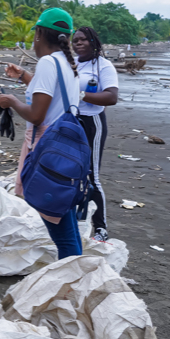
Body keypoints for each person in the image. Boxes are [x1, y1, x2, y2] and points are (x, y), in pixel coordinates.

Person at [0, 8, 82, 259]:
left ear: (39, 34)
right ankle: (76, 274)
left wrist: (12, 101)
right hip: (66, 147)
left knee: (61, 231)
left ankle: (73, 284)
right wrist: (23, 76)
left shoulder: (48, 63)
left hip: (48, 151)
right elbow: (53, 95)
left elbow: (37, 115)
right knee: (65, 220)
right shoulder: (66, 63)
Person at [72, 26, 119, 242]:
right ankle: (77, 218)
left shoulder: (103, 67)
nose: (78, 43)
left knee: (92, 175)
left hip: (93, 123)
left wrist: (81, 95)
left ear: (93, 42)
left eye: (82, 40)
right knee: (72, 172)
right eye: (75, 40)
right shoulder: (73, 64)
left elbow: (111, 97)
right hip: (72, 121)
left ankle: (101, 228)